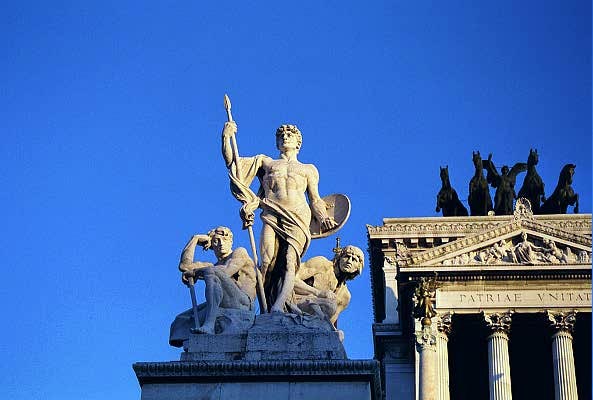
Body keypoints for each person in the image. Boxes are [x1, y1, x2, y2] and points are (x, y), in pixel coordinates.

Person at [221, 122, 337, 313]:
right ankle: (262, 308)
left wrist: (323, 217)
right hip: (271, 212)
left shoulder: (308, 169)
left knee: (290, 261)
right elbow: (234, 164)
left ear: (298, 142)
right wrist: (226, 136)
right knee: (266, 261)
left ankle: (278, 307)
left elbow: (315, 199)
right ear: (276, 142)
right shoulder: (266, 163)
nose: (285, 138)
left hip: (298, 216)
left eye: (290, 135)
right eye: (281, 136)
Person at [169, 227, 256, 346]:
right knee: (182, 319)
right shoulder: (213, 266)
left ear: (231, 241)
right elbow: (184, 266)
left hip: (243, 303)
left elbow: (226, 271)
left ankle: (209, 325)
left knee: (211, 273)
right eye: (216, 241)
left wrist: (196, 272)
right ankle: (207, 324)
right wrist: (194, 239)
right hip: (225, 302)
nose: (221, 244)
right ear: (211, 246)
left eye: (224, 239)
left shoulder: (239, 252)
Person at [293, 245, 364, 327]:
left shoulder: (345, 296)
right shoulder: (322, 264)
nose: (349, 261)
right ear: (340, 257)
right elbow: (290, 279)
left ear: (357, 268)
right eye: (347, 256)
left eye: (354, 260)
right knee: (329, 305)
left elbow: (329, 323)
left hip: (313, 323)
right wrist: (317, 293)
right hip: (293, 301)